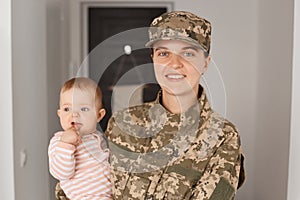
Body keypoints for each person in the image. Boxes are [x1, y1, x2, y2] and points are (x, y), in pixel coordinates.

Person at [106, 11, 245, 200]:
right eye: (164, 53)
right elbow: (83, 188)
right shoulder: (123, 123)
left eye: (188, 53)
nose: (174, 64)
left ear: (205, 63)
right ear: (153, 59)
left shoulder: (223, 137)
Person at [48, 77, 112, 200]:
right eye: (67, 109)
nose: (74, 114)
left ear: (99, 115)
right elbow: (60, 172)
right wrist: (66, 144)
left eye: (84, 109)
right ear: (60, 114)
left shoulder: (98, 137)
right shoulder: (59, 141)